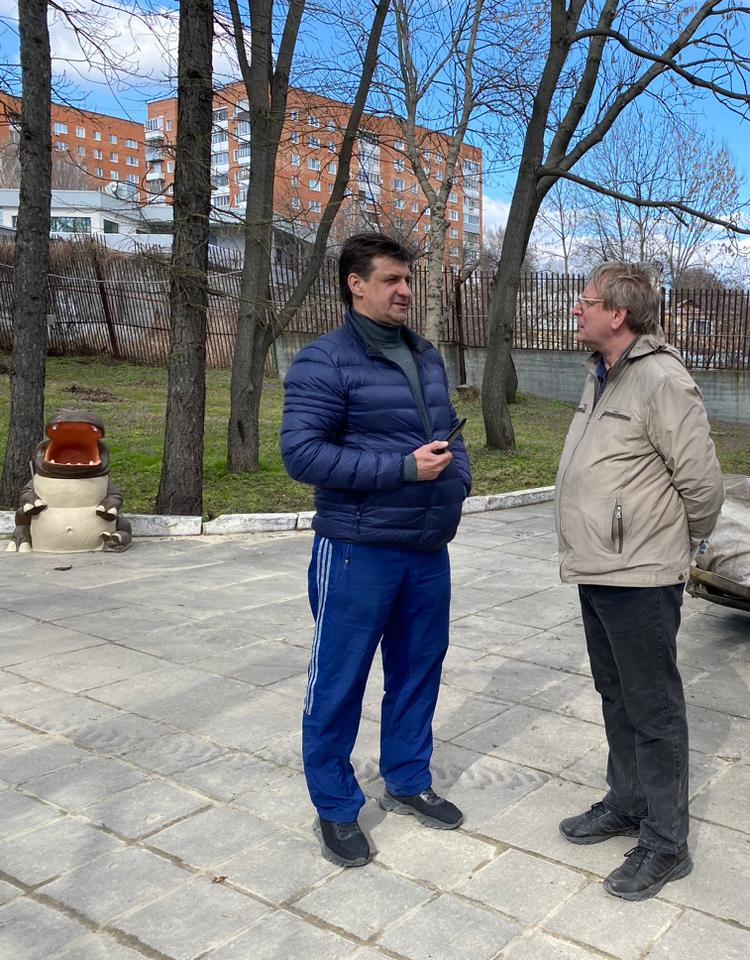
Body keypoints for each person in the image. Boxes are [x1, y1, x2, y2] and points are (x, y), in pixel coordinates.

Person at [281, 233, 471, 867]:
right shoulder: (323, 361)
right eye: (392, 279)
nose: (405, 291)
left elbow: (449, 434)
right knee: (339, 681)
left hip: (427, 548)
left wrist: (458, 483)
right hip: (357, 550)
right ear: (355, 284)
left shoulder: (426, 355)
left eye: (408, 280)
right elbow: (301, 455)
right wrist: (402, 470)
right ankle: (336, 807)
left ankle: (408, 779)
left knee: (419, 670)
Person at [554, 262, 724, 901]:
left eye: (586, 300)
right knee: (615, 694)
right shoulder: (601, 373)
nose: (577, 308)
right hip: (597, 567)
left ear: (618, 314)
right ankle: (627, 802)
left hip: (641, 575)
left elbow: (702, 486)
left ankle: (666, 841)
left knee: (653, 707)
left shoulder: (661, 379)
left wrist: (670, 546)